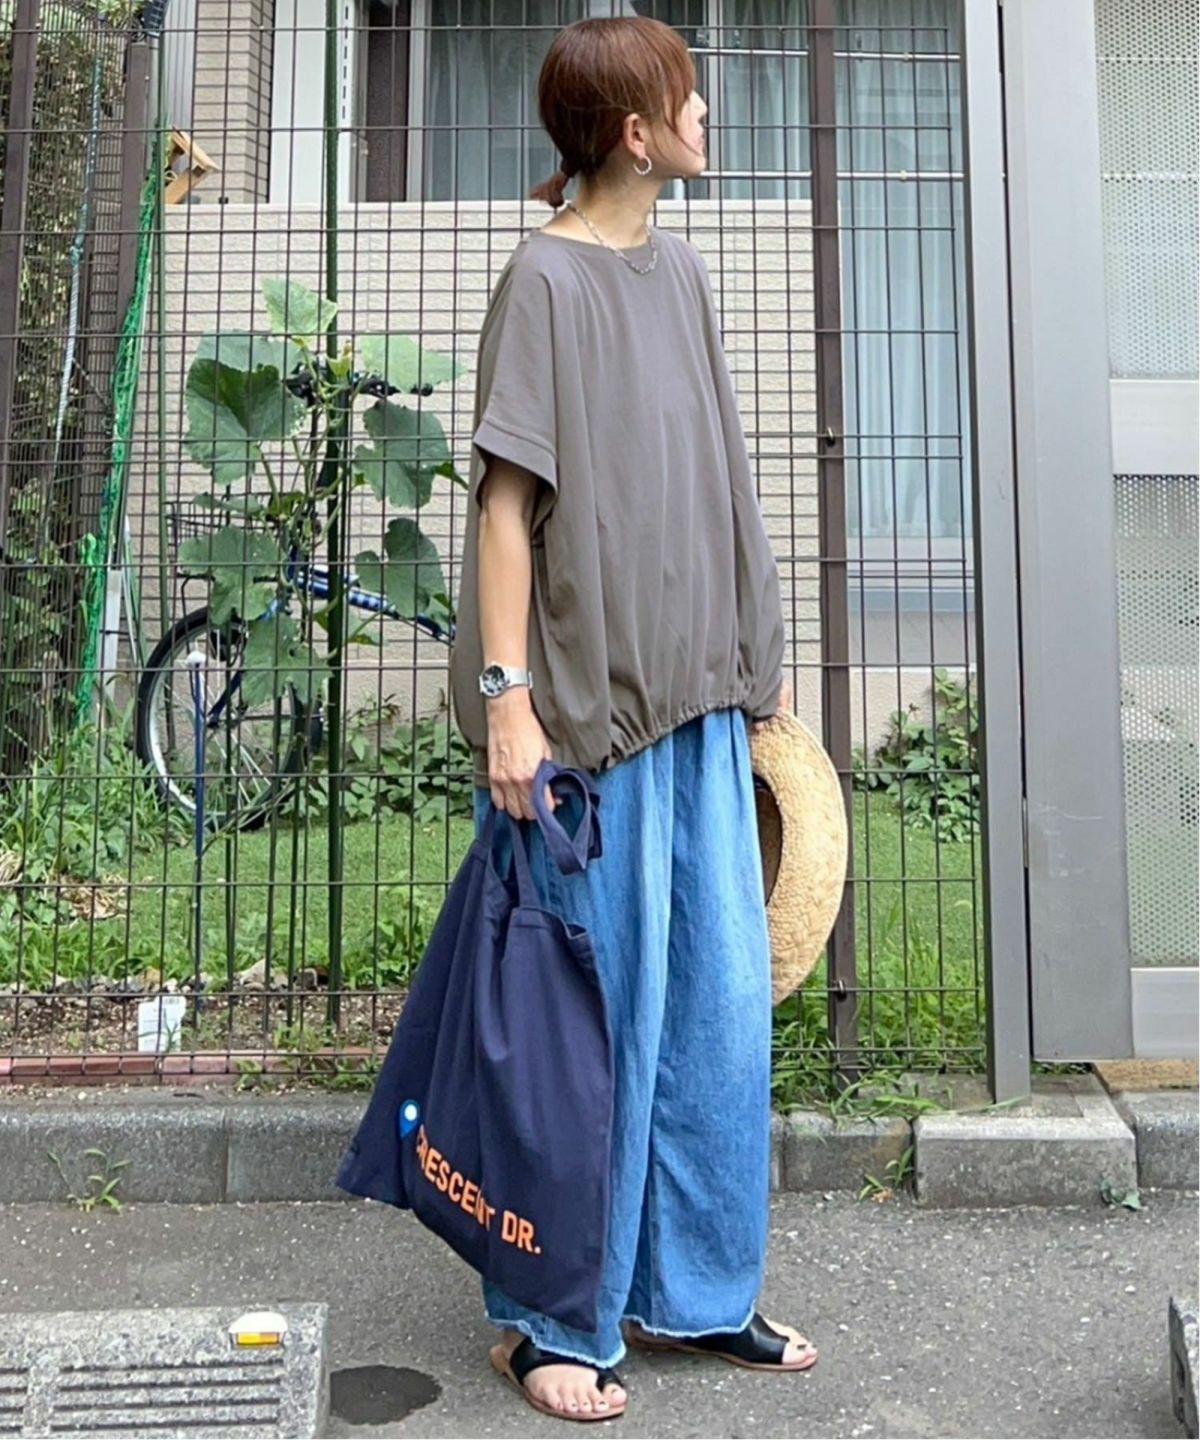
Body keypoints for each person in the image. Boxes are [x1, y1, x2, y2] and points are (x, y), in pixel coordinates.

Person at [448, 13, 818, 1423]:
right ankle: (552, 1318)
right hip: (588, 727)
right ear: (634, 132)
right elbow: (505, 510)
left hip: (701, 710)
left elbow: (720, 474)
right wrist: (507, 704)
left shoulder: (685, 275)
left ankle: (695, 1295)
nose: (706, 113)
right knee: (586, 1034)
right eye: (686, 97)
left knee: (714, 1020)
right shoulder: (544, 280)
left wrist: (758, 651)